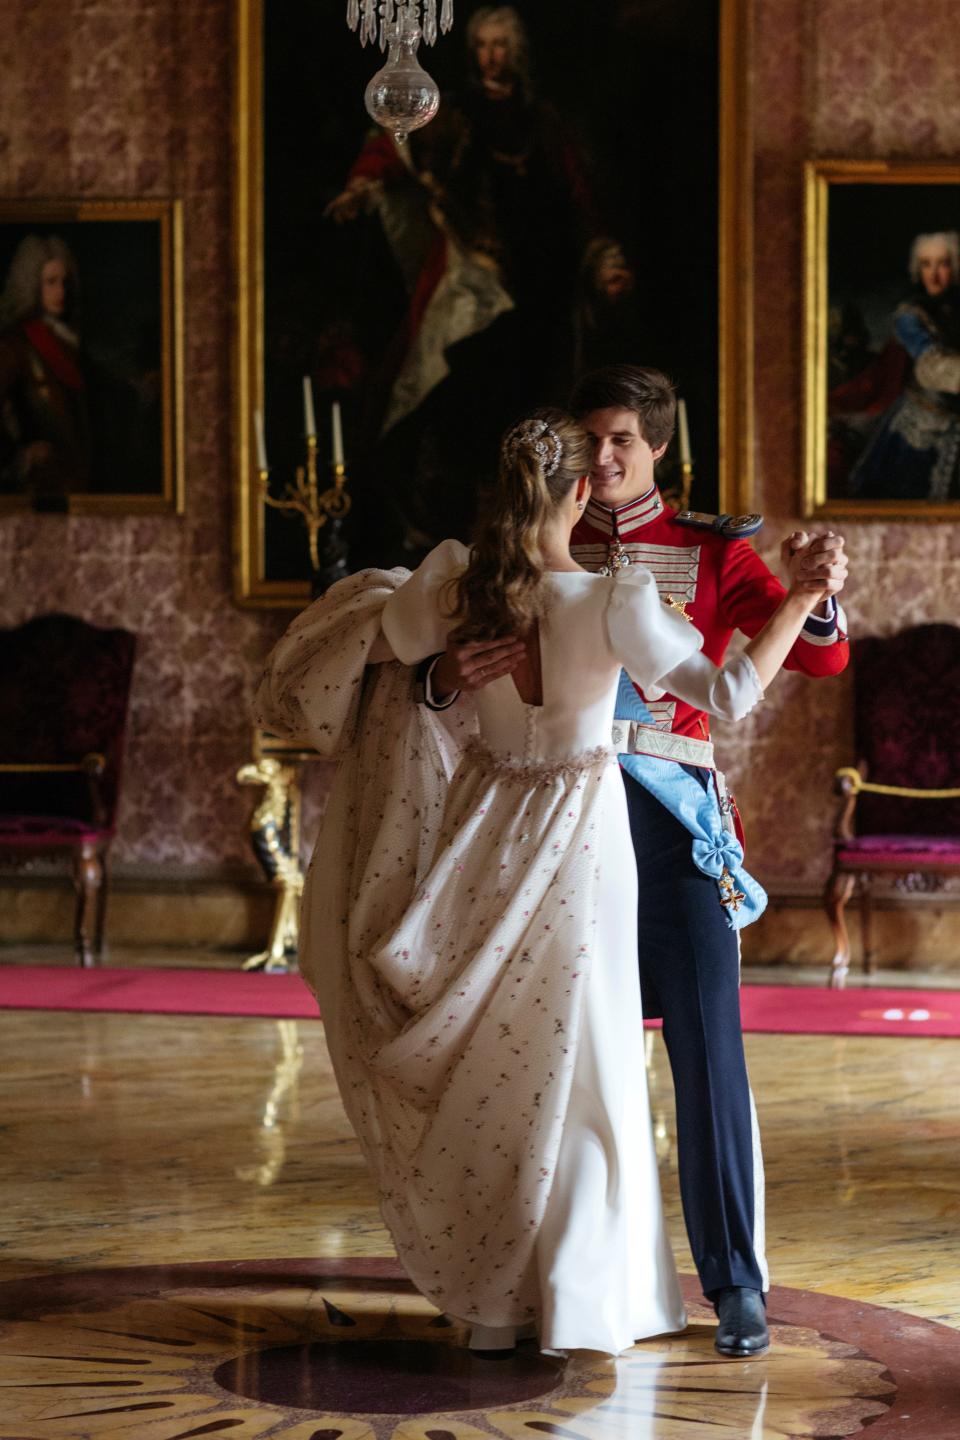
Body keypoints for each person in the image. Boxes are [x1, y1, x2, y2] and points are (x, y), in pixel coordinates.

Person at [255, 406, 833, 1355]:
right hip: (581, 834)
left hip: (482, 829)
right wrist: (798, 600)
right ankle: (584, 1296)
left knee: (507, 1063)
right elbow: (728, 695)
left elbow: (365, 665)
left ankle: (502, 1303)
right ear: (574, 491)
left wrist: (441, 675)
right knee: (589, 1061)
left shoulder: (451, 583)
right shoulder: (614, 597)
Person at [844, 231, 960, 501]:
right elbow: (933, 366)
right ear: (917, 270)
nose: (934, 274)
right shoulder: (909, 316)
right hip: (923, 425)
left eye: (942, 263)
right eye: (926, 264)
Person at [0, 233, 89, 500]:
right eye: (50, 282)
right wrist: (20, 457)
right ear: (31, 285)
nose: (61, 292)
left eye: (64, 282)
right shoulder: (16, 346)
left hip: (78, 486)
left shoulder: (70, 344)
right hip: (39, 490)